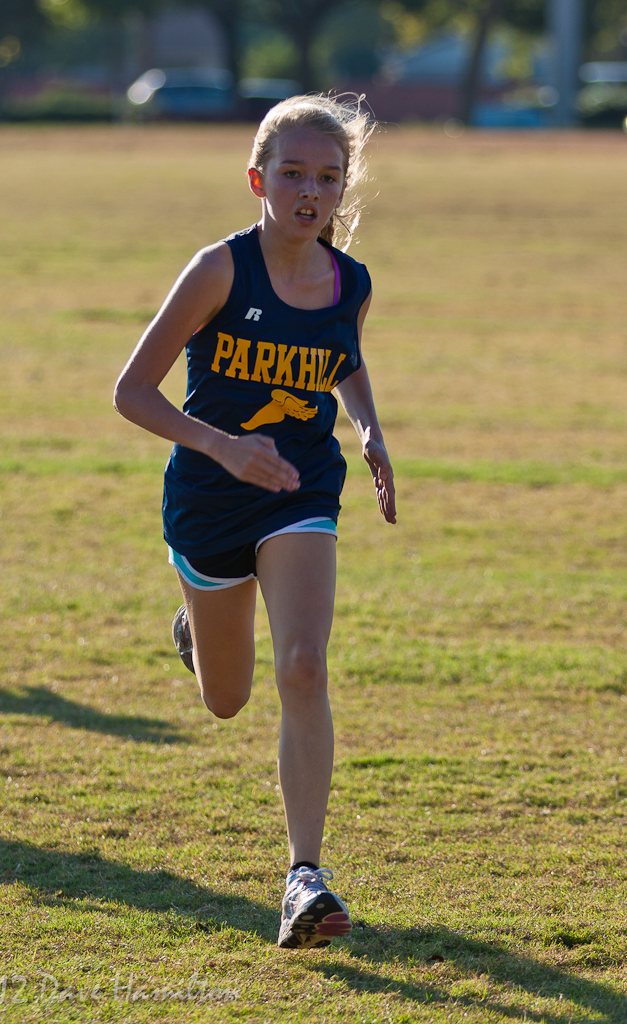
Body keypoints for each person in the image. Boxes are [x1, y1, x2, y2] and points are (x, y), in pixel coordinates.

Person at [114, 94, 396, 950]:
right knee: (227, 699)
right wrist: (222, 448)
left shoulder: (350, 279)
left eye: (328, 178)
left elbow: (342, 358)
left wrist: (369, 425)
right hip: (210, 497)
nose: (311, 192)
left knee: (303, 668)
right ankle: (199, 631)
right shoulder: (218, 270)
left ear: (343, 190)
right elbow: (131, 393)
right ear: (257, 179)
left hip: (302, 489)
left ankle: (303, 876)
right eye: (293, 174)